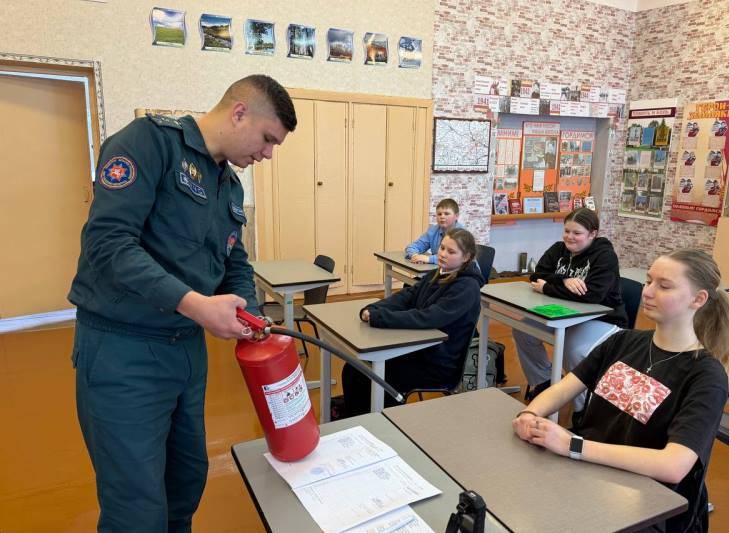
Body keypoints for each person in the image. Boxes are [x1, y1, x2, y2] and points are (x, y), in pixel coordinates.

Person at [68, 75, 297, 532]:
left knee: (185, 483)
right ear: (238, 113)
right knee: (137, 509)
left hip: (185, 353)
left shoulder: (228, 185)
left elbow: (235, 261)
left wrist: (250, 312)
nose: (269, 154)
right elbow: (108, 243)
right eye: (268, 139)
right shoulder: (148, 144)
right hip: (123, 352)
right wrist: (194, 304)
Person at [512, 249, 729, 532]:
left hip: (648, 507)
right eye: (648, 281)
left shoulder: (706, 376)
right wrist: (530, 413)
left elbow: (673, 465)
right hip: (588, 477)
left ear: (698, 299)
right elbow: (563, 389)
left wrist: (573, 445)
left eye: (664, 286)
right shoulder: (622, 342)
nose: (648, 292)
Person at [342, 228, 484, 416]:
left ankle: (381, 426)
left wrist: (380, 318)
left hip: (437, 362)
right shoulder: (438, 273)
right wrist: (375, 308)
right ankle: (357, 421)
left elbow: (428, 317)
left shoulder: (467, 287)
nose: (442, 254)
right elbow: (407, 296)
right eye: (442, 248)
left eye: (451, 252)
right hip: (418, 349)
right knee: (354, 368)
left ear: (466, 257)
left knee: (369, 375)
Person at [513, 208, 627, 416]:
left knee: (572, 349)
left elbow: (592, 295)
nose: (569, 237)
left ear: (592, 234)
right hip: (566, 313)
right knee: (523, 330)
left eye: (577, 233)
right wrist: (564, 280)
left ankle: (582, 409)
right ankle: (544, 383)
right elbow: (536, 275)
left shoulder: (605, 256)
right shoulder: (559, 249)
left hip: (602, 319)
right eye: (567, 231)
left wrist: (548, 287)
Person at [405, 198, 463, 264]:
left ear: (456, 216)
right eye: (439, 214)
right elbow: (413, 246)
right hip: (439, 270)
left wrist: (429, 259)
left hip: (462, 272)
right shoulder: (433, 230)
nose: (442, 217)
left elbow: (452, 258)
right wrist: (415, 256)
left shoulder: (462, 234)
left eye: (446, 214)